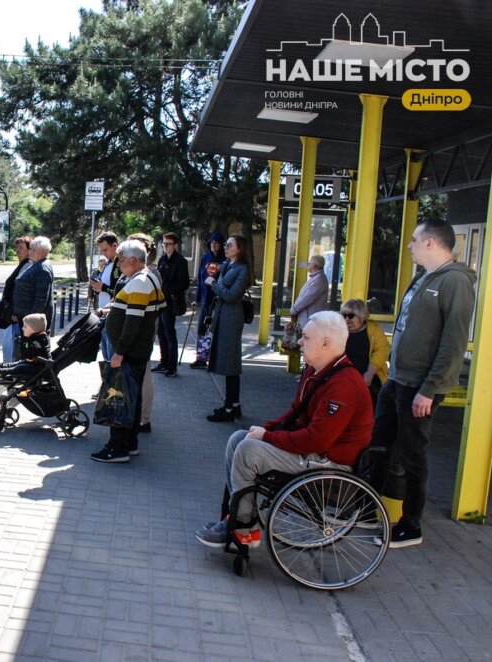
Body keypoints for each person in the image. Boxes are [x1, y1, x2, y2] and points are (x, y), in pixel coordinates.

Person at [196, 312, 374, 549]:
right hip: (315, 452)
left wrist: (267, 437)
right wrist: (264, 429)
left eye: (306, 338)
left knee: (249, 450)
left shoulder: (345, 385)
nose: (299, 342)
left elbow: (316, 441)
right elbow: (294, 414)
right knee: (239, 439)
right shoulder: (315, 370)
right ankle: (241, 519)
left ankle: (241, 527)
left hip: (331, 464)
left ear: (326, 344)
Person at [372, 219, 475, 548]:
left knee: (412, 454)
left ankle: (410, 525)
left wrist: (429, 390)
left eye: (415, 239)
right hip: (398, 379)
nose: (409, 245)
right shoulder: (422, 279)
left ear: (431, 242)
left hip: (419, 386)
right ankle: (365, 505)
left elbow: (453, 343)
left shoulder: (455, 283)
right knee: (379, 444)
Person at [90, 239, 165, 463]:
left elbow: (134, 321)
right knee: (131, 397)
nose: (118, 263)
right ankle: (130, 443)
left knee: (119, 398)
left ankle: (118, 447)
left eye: (121, 260)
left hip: (130, 351)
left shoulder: (141, 281)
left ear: (133, 260)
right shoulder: (143, 277)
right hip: (136, 350)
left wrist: (119, 352)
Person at [205, 235, 251, 422]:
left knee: (230, 362)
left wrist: (215, 285)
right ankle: (233, 404)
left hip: (231, 317)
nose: (226, 247)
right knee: (226, 360)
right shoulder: (229, 264)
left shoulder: (242, 268)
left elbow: (232, 295)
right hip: (223, 315)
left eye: (229, 245)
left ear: (239, 248)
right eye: (226, 244)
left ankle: (230, 407)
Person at [128, 233, 162, 434]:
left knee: (144, 373)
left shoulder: (149, 274)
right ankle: (139, 415)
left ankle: (143, 417)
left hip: (140, 333)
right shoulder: (141, 274)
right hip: (138, 332)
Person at [11, 236, 55, 359]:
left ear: (40, 252)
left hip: (32, 321)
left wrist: (30, 321)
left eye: (32, 250)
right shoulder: (36, 264)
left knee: (33, 350)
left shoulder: (42, 269)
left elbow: (41, 300)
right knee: (28, 349)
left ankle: (29, 373)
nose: (29, 252)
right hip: (26, 317)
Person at [153, 231, 189, 376]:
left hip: (170, 302)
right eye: (164, 244)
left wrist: (168, 291)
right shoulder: (162, 260)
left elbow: (184, 283)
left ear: (175, 245)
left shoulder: (180, 261)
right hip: (160, 301)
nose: (165, 247)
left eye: (168, 244)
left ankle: (172, 367)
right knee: (160, 333)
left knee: (169, 333)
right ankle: (163, 362)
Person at [340, 298, 390, 404]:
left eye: (351, 316)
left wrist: (369, 373)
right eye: (344, 316)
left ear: (361, 317)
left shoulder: (373, 329)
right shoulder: (339, 330)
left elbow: (382, 351)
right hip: (344, 375)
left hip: (368, 375)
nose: (347, 320)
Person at [190, 232, 225, 369]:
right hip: (206, 299)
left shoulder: (225, 260)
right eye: (211, 243)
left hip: (218, 300)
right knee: (202, 329)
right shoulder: (206, 258)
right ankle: (201, 358)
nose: (213, 245)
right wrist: (197, 299)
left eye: (216, 243)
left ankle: (216, 359)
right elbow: (200, 279)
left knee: (216, 331)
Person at [90, 231, 122, 367]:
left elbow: (119, 291)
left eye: (105, 250)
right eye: (101, 250)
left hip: (113, 314)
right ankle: (107, 382)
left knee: (110, 355)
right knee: (105, 353)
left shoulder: (120, 264)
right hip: (103, 313)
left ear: (115, 245)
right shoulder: (108, 263)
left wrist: (103, 288)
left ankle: (113, 384)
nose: (103, 253)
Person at [0, 236, 32, 362]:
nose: (18, 250)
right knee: (9, 343)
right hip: (12, 312)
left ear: (29, 250)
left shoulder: (27, 265)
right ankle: (8, 368)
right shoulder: (22, 265)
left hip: (15, 313)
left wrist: (15, 311)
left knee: (13, 344)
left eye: (21, 247)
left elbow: (22, 291)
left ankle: (9, 370)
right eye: (17, 247)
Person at [0, 313, 50, 380]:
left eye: (25, 326)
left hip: (39, 368)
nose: (22, 328)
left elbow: (29, 354)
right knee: (19, 363)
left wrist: (27, 354)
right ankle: (1, 366)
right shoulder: (39, 337)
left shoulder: (36, 341)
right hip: (36, 365)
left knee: (19, 367)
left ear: (34, 329)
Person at [289, 254, 329, 329]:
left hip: (309, 321)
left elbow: (306, 298)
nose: (307, 265)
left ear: (314, 266)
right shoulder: (316, 278)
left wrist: (293, 310)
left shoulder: (318, 280)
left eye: (309, 263)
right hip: (308, 319)